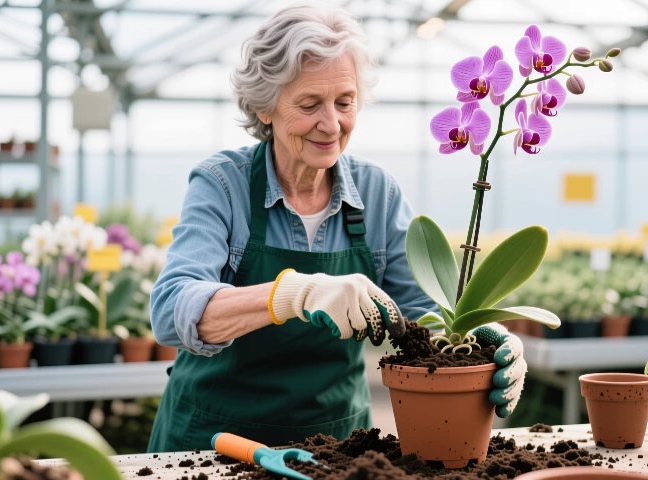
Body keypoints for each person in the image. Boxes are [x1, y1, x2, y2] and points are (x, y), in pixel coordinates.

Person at [147, 2, 527, 453]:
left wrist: (486, 341)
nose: (332, 124)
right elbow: (172, 310)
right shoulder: (222, 184)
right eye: (309, 104)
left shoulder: (376, 193)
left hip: (336, 448)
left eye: (344, 102)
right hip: (214, 442)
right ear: (265, 108)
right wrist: (293, 294)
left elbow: (425, 316)